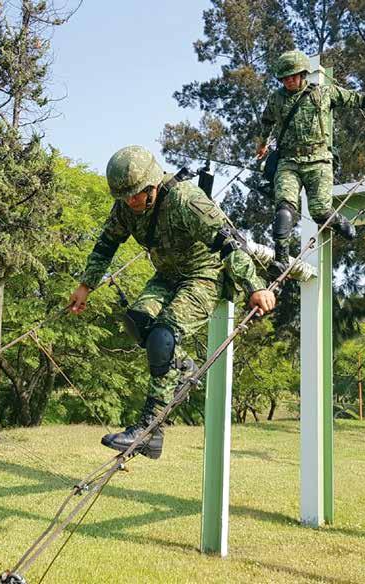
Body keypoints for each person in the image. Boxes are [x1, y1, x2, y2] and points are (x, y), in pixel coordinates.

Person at [69, 146, 276, 459]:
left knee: (162, 338)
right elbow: (106, 243)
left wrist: (255, 286)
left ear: (152, 184)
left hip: (204, 275)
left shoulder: (186, 200)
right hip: (166, 276)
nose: (130, 202)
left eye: (136, 194)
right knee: (137, 322)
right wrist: (86, 285)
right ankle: (182, 367)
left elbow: (230, 243)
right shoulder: (125, 206)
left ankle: (149, 430)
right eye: (124, 196)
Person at [256, 49, 365, 274]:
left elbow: (361, 99)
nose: (288, 81)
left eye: (292, 76)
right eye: (284, 78)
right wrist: (262, 144)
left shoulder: (325, 93)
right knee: (284, 207)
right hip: (288, 161)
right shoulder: (276, 99)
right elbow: (266, 121)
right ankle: (281, 259)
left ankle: (337, 220)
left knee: (320, 211)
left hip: (319, 161)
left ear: (302, 74)